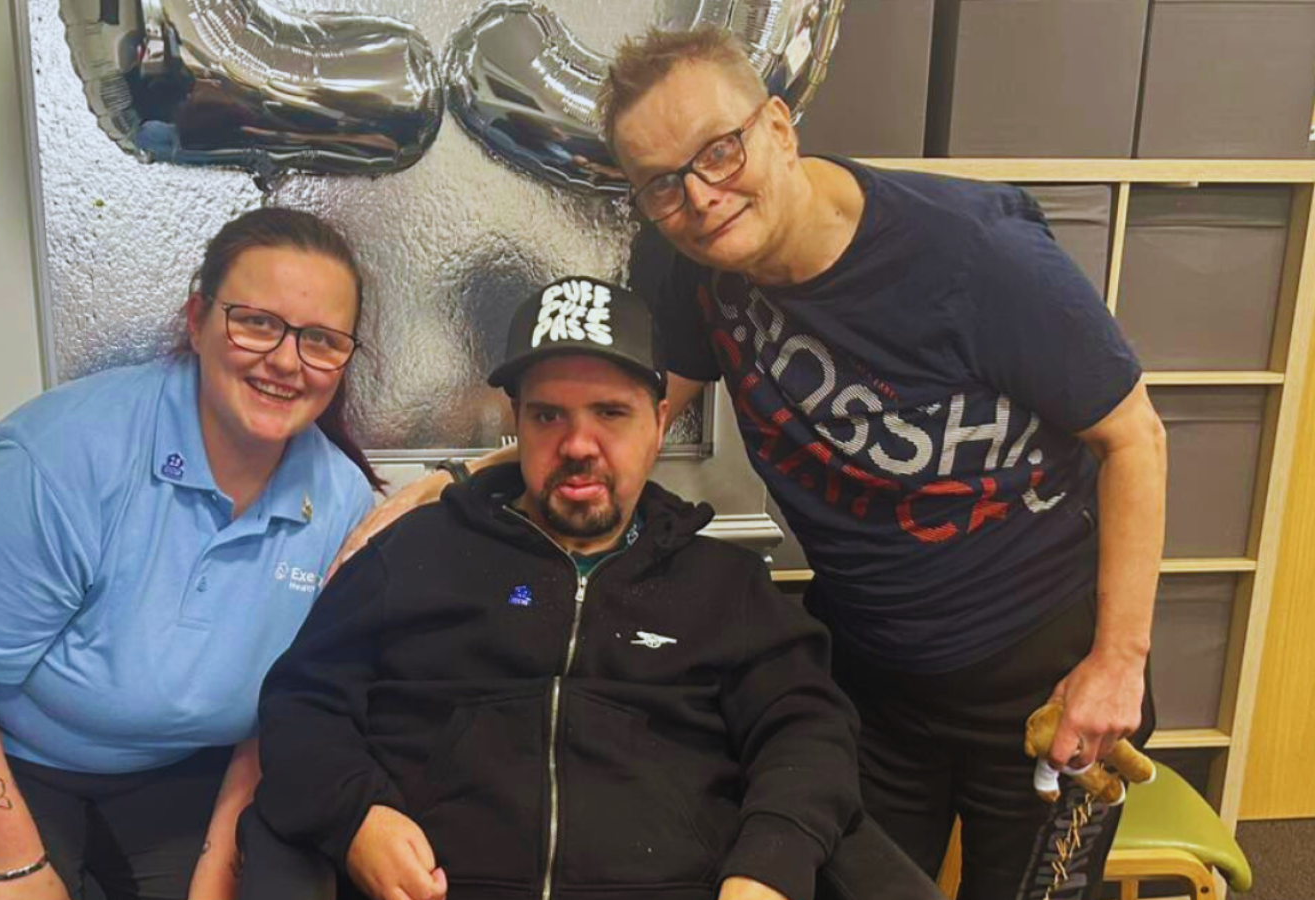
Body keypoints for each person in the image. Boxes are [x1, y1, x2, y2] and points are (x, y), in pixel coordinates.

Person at [338, 26, 1166, 900]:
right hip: (875, 675)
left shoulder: (973, 254)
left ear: (778, 125)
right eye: (661, 183)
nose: (700, 195)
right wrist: (465, 480)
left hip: (1037, 674)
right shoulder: (691, 261)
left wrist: (1119, 663)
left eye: (720, 152)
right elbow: (632, 420)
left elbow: (1134, 438)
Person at [253, 276, 863, 900]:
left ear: (657, 424)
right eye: (549, 415)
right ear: (517, 421)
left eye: (610, 413)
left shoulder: (726, 588)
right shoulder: (416, 553)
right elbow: (302, 702)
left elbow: (809, 731)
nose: (577, 445)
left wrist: (769, 865)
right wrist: (357, 818)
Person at [0, 207, 381, 900]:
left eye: (320, 339)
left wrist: (218, 867)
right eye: (255, 322)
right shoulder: (66, 455)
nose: (286, 360)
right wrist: (17, 871)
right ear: (196, 321)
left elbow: (280, 711)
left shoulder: (342, 504)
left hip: (166, 761)